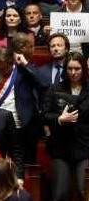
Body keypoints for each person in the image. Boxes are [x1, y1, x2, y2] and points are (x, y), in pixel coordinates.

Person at [0, 46, 42, 164]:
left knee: (20, 162)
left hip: (20, 125)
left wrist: (25, 64)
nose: (1, 71)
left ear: (11, 62)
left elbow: (42, 83)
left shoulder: (23, 70)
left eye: (3, 68)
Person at [42, 51, 89, 201]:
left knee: (84, 191)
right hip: (60, 147)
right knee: (60, 194)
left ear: (84, 69)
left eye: (77, 69)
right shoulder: (55, 88)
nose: (73, 72)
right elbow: (44, 115)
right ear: (65, 69)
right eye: (70, 69)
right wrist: (60, 119)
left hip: (84, 147)